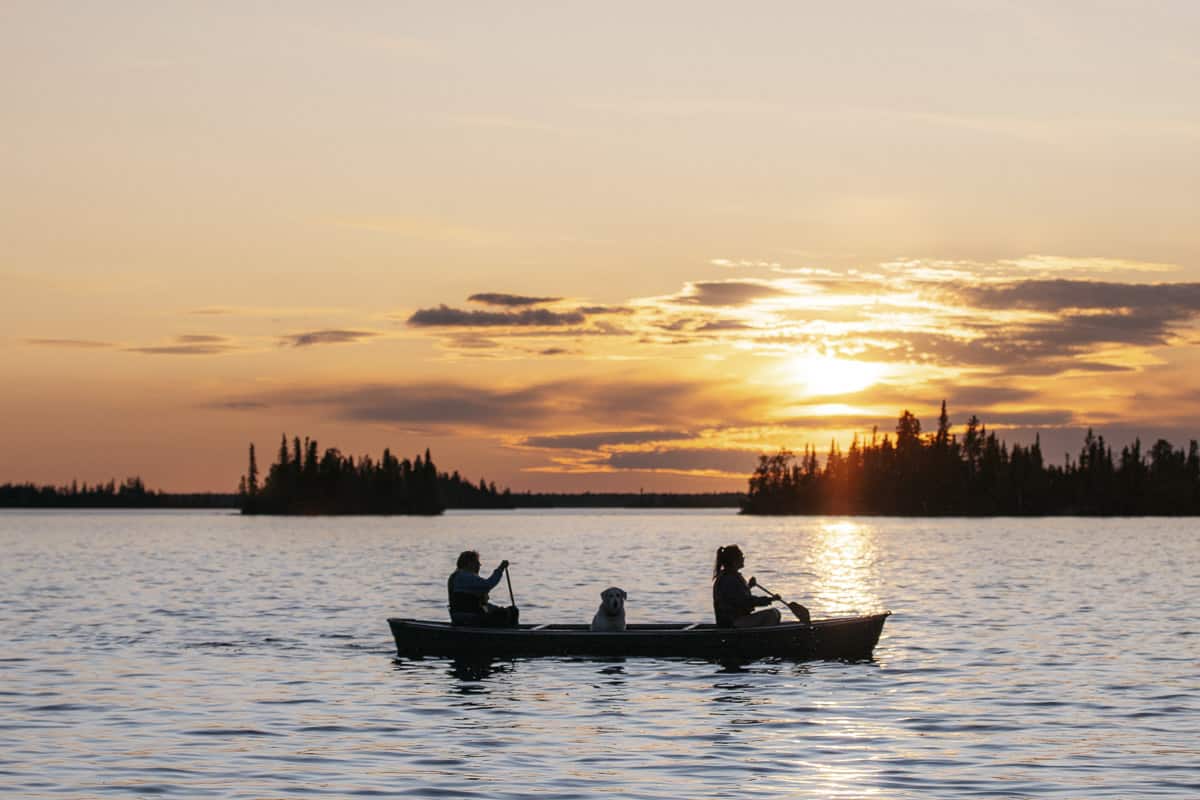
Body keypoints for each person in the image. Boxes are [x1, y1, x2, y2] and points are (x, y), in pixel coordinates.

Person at [712, 544, 782, 628]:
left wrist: (749, 586)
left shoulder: (730, 576)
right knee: (772, 614)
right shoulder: (728, 578)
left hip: (736, 620)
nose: (743, 558)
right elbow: (745, 601)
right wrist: (770, 599)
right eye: (741, 556)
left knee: (775, 613)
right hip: (731, 622)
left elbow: (736, 597)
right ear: (734, 560)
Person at [447, 550, 519, 627]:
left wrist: (496, 608)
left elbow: (480, 603)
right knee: (504, 614)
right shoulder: (463, 576)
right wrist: (500, 569)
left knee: (511, 611)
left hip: (467, 615)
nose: (479, 565)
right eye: (477, 563)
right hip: (465, 617)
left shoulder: (461, 576)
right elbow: (488, 584)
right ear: (469, 563)